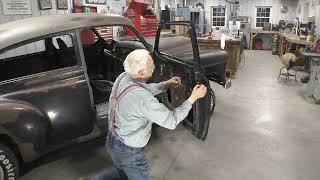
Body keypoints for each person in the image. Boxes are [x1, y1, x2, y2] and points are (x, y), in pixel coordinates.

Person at [91, 49, 207, 180]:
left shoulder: (124, 76)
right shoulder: (143, 99)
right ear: (141, 73)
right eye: (151, 68)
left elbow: (141, 89)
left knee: (122, 171)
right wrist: (192, 99)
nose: (154, 69)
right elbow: (171, 121)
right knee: (133, 171)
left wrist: (165, 84)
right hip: (128, 151)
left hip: (113, 140)